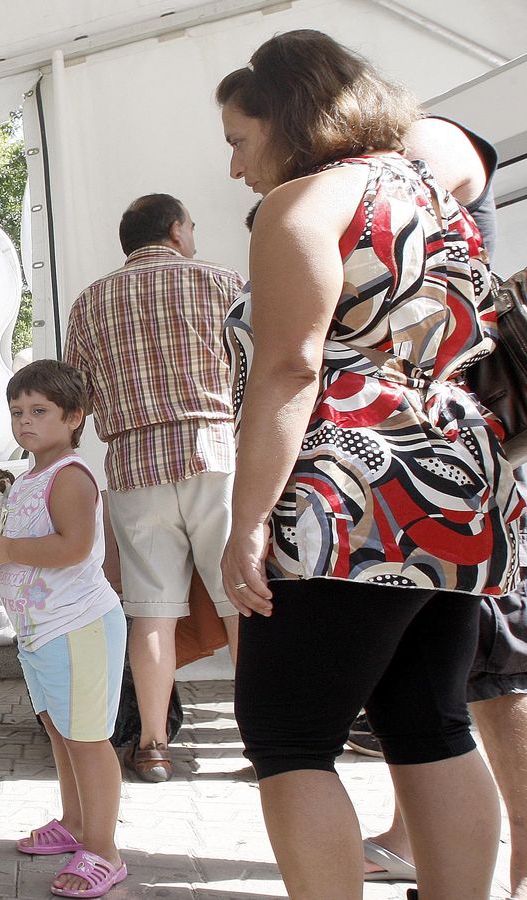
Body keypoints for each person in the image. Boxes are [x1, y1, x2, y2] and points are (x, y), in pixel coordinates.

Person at [216, 30, 524, 900]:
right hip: (460, 483)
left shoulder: (304, 204)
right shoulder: (431, 193)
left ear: (287, 117)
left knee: (288, 738)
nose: (238, 167)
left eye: (241, 139)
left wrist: (245, 525)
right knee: (430, 723)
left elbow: (288, 369)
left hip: (348, 496)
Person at [356, 114, 527, 900]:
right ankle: (418, 843)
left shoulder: (422, 143)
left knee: (492, 671)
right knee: (448, 687)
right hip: (441, 464)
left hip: (465, 462)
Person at [64, 194, 243, 783]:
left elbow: (79, 400)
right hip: (213, 451)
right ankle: (266, 742)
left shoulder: (89, 302)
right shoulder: (221, 281)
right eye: (191, 225)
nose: (194, 234)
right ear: (174, 228)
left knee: (151, 613)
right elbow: (255, 369)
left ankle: (152, 746)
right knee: (240, 601)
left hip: (135, 464)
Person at [0, 359, 128, 898]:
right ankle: (76, 823)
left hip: (76, 626)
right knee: (60, 732)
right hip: (41, 631)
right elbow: (29, 540)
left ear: (74, 417)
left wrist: (5, 548)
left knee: (87, 739)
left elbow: (74, 546)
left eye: (39, 411)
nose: (25, 422)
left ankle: (104, 850)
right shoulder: (29, 477)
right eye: (17, 412)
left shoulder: (72, 476)